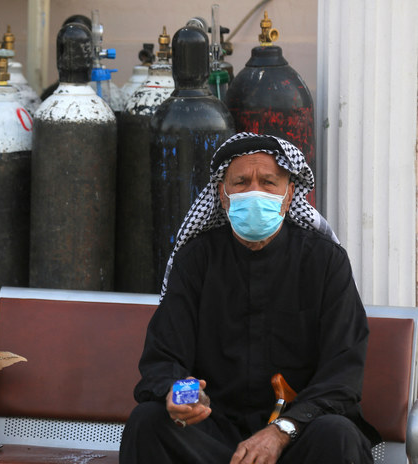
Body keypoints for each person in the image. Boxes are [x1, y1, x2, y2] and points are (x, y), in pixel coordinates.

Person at [119, 132, 381, 464]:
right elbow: (164, 356)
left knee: (337, 435)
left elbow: (342, 373)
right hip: (214, 433)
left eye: (269, 182)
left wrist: (281, 431)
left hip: (297, 433)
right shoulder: (197, 260)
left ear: (288, 197)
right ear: (223, 196)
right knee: (148, 421)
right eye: (241, 182)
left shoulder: (325, 262)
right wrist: (181, 394)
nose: (254, 191)